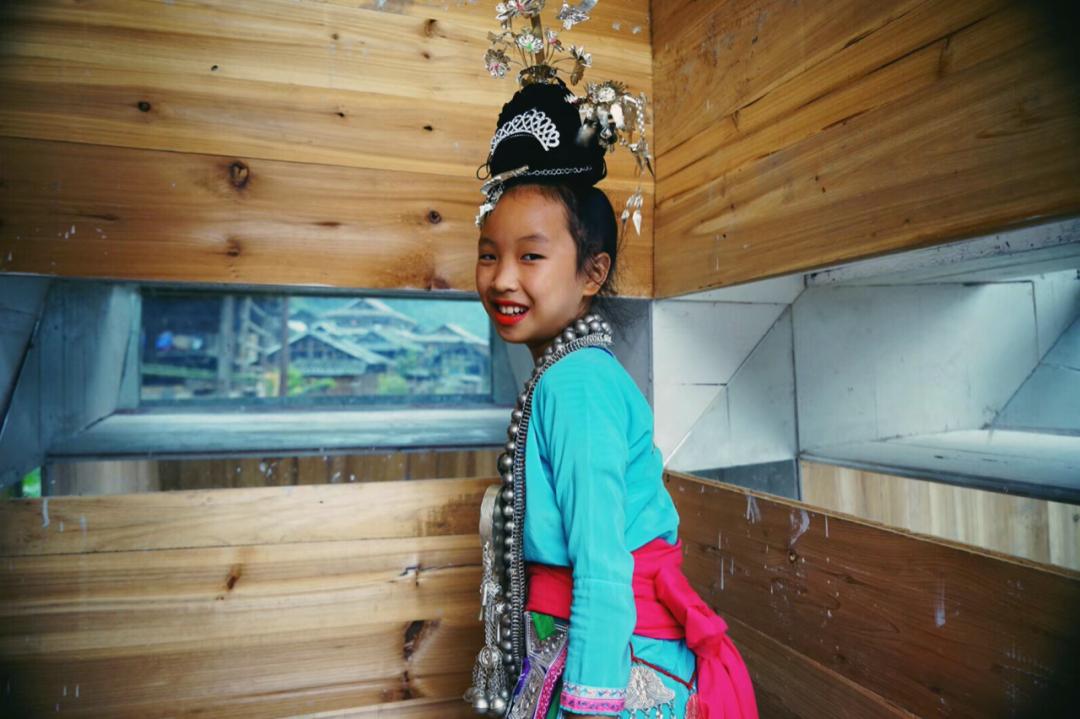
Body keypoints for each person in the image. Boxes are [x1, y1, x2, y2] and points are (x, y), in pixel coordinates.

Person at [465, 4, 757, 718]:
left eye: (531, 256)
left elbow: (600, 564)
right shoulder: (564, 374)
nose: (503, 278)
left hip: (613, 670)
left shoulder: (577, 384)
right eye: (489, 255)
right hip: (576, 647)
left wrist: (591, 703)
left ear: (591, 272)